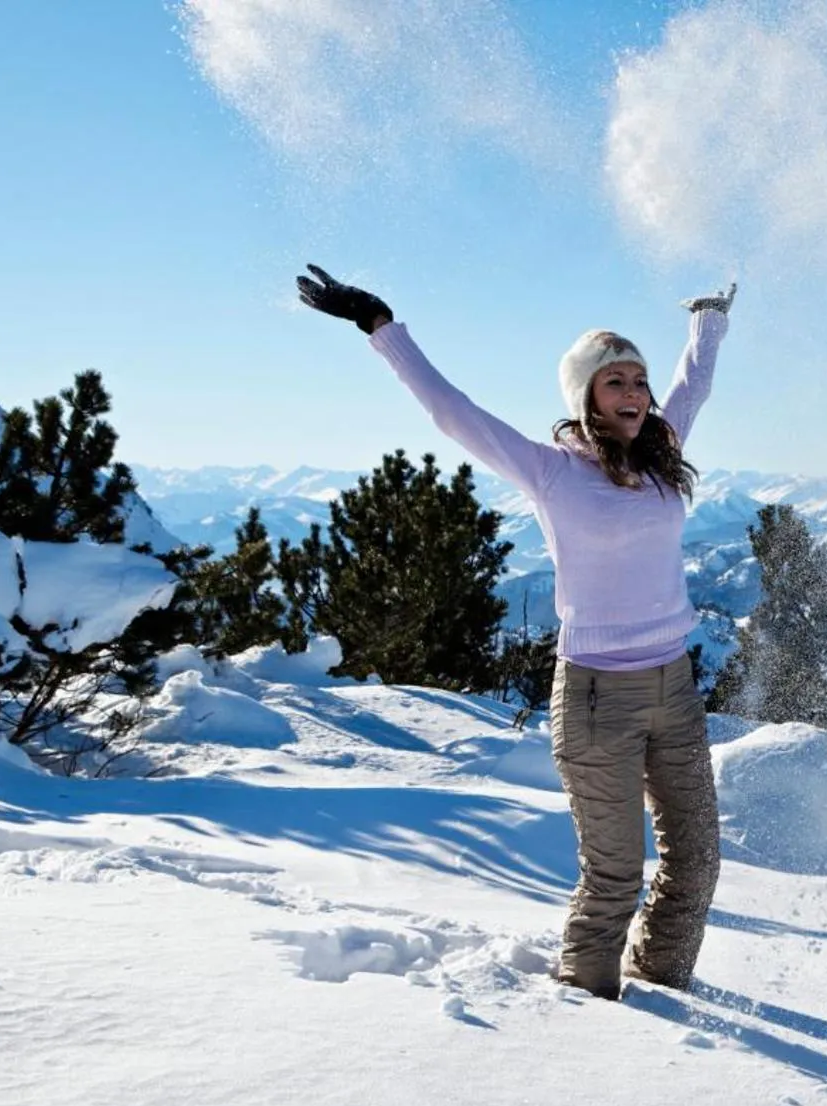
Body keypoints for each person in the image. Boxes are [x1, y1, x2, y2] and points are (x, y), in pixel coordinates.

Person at [296, 263, 735, 1001]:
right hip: (598, 700)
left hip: (675, 689)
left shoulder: (661, 452)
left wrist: (709, 321)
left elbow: (693, 385)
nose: (634, 393)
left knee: (697, 861)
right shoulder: (551, 471)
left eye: (637, 380)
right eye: (614, 382)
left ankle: (663, 993)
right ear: (587, 398)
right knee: (615, 873)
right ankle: (588, 1009)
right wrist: (382, 327)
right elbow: (452, 411)